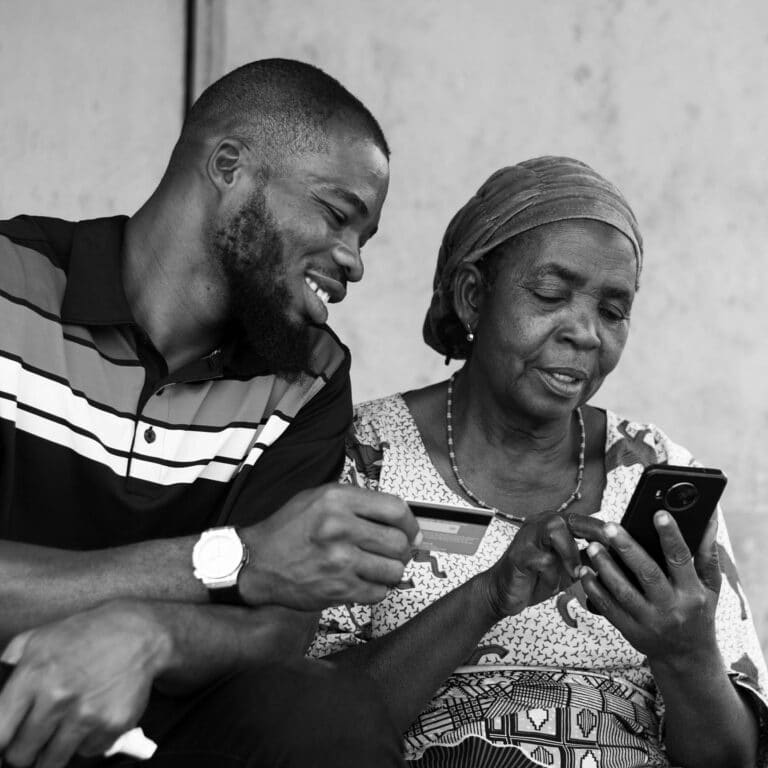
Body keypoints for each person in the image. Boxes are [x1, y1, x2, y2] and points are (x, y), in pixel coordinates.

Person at [0, 58, 422, 768]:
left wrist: (145, 633)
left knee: (325, 713)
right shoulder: (9, 284)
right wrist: (230, 559)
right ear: (229, 166)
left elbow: (277, 632)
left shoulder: (309, 376)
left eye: (365, 237)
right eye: (336, 214)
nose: (353, 261)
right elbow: (258, 569)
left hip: (151, 734)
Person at [310, 157, 768, 767]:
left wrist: (684, 655)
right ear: (474, 297)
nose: (585, 333)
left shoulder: (650, 470)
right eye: (551, 294)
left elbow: (733, 759)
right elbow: (305, 725)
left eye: (613, 311)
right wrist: (488, 596)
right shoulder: (362, 459)